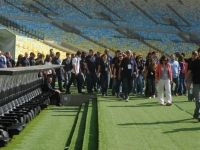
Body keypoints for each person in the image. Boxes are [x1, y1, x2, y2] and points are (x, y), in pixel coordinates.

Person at [186, 48, 200, 121]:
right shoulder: (194, 62)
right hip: (196, 83)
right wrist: (187, 82)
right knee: (198, 100)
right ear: (198, 53)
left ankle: (196, 114)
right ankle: (198, 114)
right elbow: (188, 73)